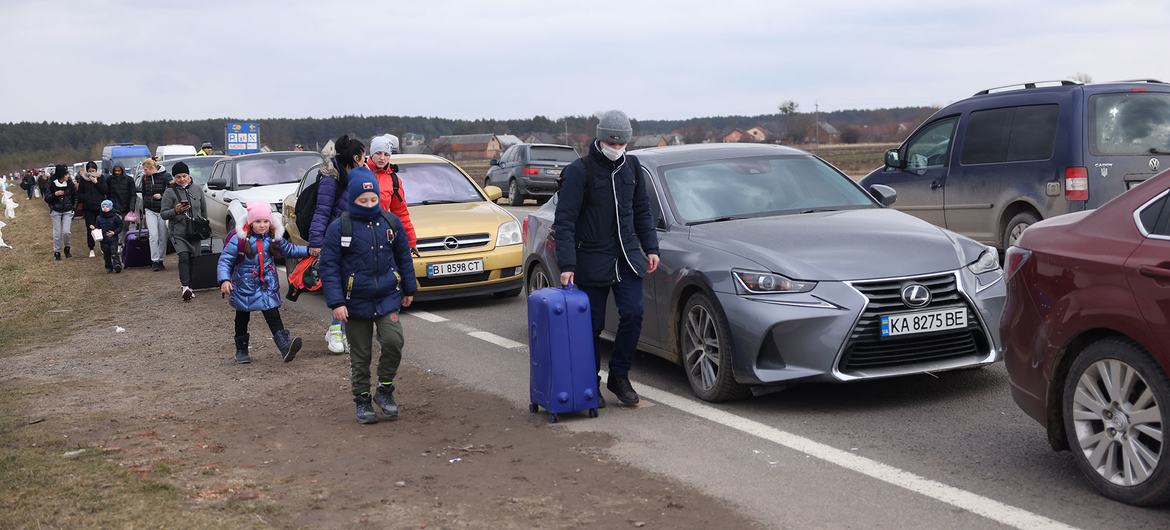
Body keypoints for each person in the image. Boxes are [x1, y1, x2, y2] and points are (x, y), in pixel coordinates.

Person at [552, 110, 660, 408]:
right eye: (612, 143)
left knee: (634, 314)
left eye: (621, 143)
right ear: (600, 140)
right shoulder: (579, 171)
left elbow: (642, 211)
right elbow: (565, 221)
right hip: (591, 259)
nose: (616, 148)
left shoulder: (634, 167)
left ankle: (620, 376)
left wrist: (651, 248)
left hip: (627, 258)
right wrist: (568, 266)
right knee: (592, 326)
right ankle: (591, 382)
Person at [319, 168, 416, 424]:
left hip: (387, 296)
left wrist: (409, 288)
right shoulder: (340, 228)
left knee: (394, 342)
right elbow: (329, 267)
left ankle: (384, 389)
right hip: (355, 302)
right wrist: (337, 302)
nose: (369, 204)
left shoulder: (390, 222)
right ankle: (362, 399)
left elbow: (403, 256)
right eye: (363, 201)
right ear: (353, 200)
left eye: (373, 199)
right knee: (361, 356)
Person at [217, 202, 309, 364]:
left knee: (273, 314)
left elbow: (290, 250)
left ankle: (285, 347)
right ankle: (242, 350)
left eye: (265, 221)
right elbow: (225, 261)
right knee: (242, 317)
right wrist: (224, 279)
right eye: (258, 222)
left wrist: (309, 251)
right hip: (244, 285)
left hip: (266, 285)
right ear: (251, 222)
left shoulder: (273, 238)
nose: (262, 225)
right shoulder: (239, 240)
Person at [308, 134, 364, 354]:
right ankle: (336, 330)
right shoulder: (331, 178)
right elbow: (321, 211)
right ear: (356, 156)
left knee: (352, 288)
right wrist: (316, 242)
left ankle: (340, 331)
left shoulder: (359, 177)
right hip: (334, 240)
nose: (365, 159)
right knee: (341, 287)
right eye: (363, 155)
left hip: (355, 239)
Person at [160, 162, 207, 301]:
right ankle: (185, 287)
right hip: (178, 232)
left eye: (184, 176)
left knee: (194, 259)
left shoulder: (198, 189)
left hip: (196, 231)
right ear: (174, 178)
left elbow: (204, 210)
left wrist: (205, 224)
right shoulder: (169, 192)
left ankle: (190, 287)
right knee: (184, 257)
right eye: (178, 177)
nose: (181, 179)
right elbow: (163, 214)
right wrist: (176, 210)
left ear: (189, 176)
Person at [368, 134, 417, 251]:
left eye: (386, 154)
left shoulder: (394, 180)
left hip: (381, 234)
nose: (382, 158)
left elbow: (401, 213)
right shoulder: (360, 172)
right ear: (371, 154)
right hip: (360, 234)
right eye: (378, 153)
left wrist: (411, 241)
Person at [139, 158, 172, 271]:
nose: (144, 172)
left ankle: (161, 259)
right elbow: (143, 194)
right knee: (153, 236)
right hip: (150, 210)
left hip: (163, 210)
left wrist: (161, 196)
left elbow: (171, 191)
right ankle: (155, 260)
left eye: (145, 169)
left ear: (152, 168)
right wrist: (144, 210)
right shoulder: (145, 178)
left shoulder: (165, 176)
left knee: (163, 236)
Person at [44, 164, 77, 260]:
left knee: (66, 232)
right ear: (61, 175)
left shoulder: (70, 183)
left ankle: (67, 248)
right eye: (66, 174)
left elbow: (75, 196)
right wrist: (55, 194)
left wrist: (73, 208)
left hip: (67, 210)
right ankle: (57, 252)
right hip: (56, 210)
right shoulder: (51, 183)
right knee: (57, 233)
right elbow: (46, 198)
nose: (68, 176)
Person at [76, 161, 107, 258]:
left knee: (102, 227)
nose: (91, 173)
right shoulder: (83, 179)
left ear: (96, 170)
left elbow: (105, 190)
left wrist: (96, 182)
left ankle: (103, 247)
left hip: (100, 207)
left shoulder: (101, 177)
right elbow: (80, 194)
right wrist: (86, 198)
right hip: (88, 208)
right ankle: (91, 248)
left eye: (93, 170)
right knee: (90, 228)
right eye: (89, 171)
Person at [105, 163, 137, 248]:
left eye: (119, 170)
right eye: (115, 171)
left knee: (125, 227)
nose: (117, 172)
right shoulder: (110, 180)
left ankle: (124, 243)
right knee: (116, 226)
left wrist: (132, 207)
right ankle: (119, 243)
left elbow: (133, 194)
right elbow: (107, 194)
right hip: (114, 207)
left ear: (122, 170)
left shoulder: (129, 180)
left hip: (126, 207)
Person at [93, 199, 123, 273]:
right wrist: (94, 228)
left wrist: (114, 232)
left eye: (107, 206)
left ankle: (117, 265)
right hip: (103, 239)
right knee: (106, 253)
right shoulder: (99, 218)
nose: (105, 208)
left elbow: (120, 226)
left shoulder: (115, 217)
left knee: (114, 252)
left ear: (111, 207)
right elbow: (97, 227)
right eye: (103, 206)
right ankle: (108, 266)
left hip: (113, 238)